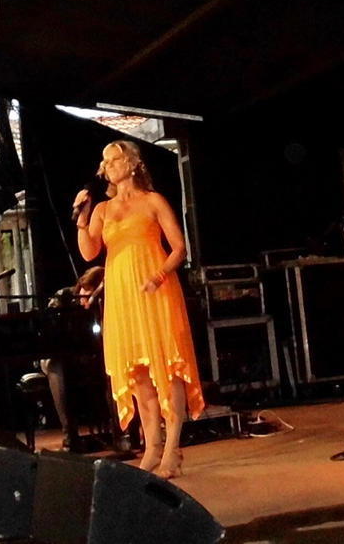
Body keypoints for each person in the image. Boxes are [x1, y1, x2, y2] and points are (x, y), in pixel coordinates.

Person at [73, 140, 204, 478]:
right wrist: (82, 220)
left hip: (156, 290)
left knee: (167, 368)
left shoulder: (153, 201)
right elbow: (89, 252)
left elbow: (179, 248)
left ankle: (172, 449)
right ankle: (152, 446)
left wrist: (159, 276)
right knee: (139, 374)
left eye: (114, 159)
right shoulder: (103, 210)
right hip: (122, 296)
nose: (108, 166)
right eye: (105, 162)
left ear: (131, 163)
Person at [42, 266, 105, 450]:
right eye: (85, 290)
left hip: (87, 356)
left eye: (91, 293)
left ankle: (121, 430)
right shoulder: (63, 296)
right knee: (56, 367)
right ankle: (70, 435)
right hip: (58, 356)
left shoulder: (103, 302)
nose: (85, 296)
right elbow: (49, 331)